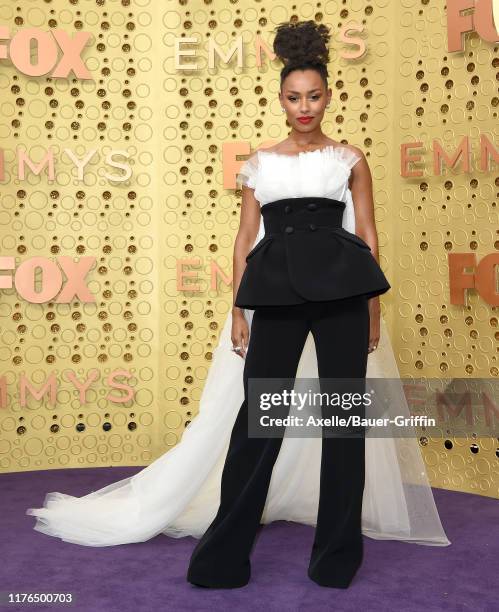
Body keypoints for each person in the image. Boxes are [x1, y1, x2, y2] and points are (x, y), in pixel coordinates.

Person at [25, 19, 450, 587]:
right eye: (295, 97)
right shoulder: (259, 164)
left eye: (315, 96)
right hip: (275, 295)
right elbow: (244, 242)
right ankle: (225, 556)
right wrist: (237, 310)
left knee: (342, 427)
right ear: (280, 99)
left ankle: (337, 558)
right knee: (257, 425)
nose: (305, 107)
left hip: (345, 295)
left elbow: (369, 235)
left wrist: (374, 308)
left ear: (329, 96)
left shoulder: (350, 159)